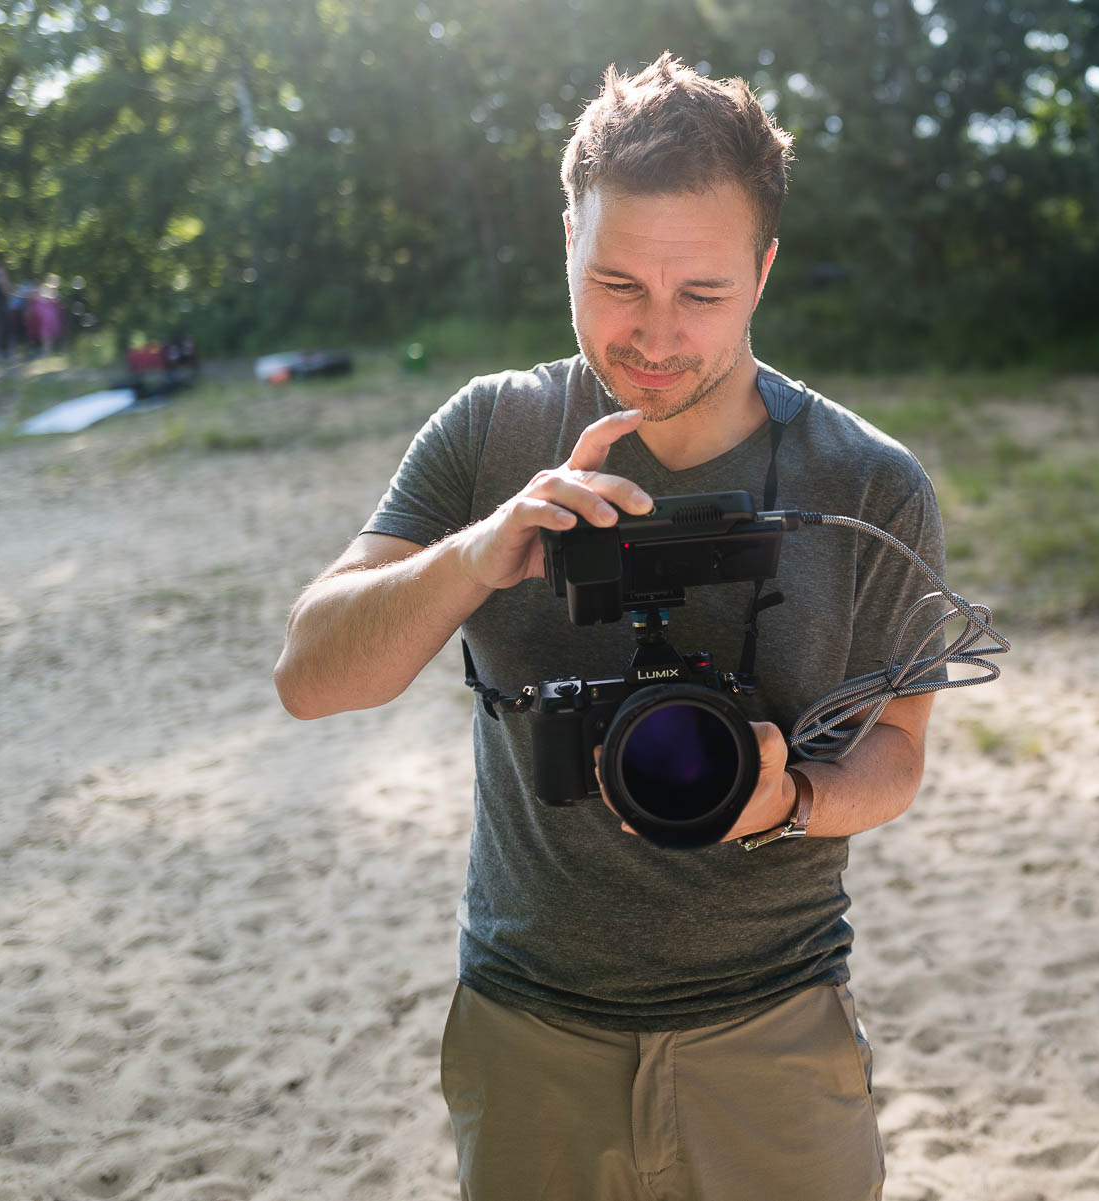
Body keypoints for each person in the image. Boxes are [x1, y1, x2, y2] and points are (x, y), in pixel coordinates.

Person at [274, 53, 944, 1201]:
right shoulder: (492, 430)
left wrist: (791, 802)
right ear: (567, 248)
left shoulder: (866, 481)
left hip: (775, 1025)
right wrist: (481, 551)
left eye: (704, 294)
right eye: (617, 283)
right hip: (529, 1023)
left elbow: (897, 755)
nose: (655, 335)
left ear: (765, 270)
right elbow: (311, 675)